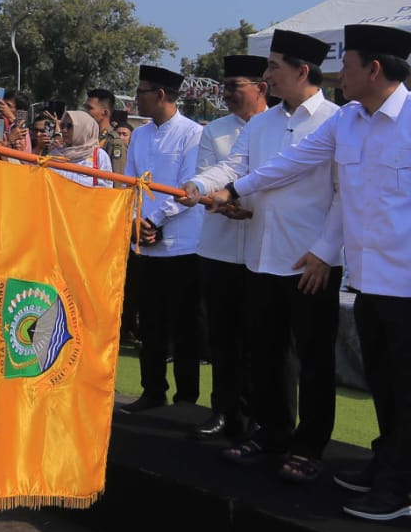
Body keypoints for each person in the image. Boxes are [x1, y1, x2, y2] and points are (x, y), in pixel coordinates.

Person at [200, 25, 411, 523]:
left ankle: (404, 487)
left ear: (374, 69)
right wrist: (234, 191)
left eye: (348, 66)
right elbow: (292, 163)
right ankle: (387, 464)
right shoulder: (349, 121)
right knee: (385, 385)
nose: (339, 74)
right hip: (369, 279)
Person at [182, 33, 342, 481]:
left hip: (310, 261)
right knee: (267, 352)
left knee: (313, 359)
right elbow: (235, 166)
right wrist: (199, 184)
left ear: (302, 71)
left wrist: (326, 253)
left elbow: (344, 196)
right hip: (261, 255)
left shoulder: (337, 121)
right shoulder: (262, 124)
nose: (266, 76)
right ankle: (272, 433)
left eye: (273, 67)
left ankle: (310, 446)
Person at [186, 55, 268, 442]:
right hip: (219, 244)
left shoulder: (276, 126)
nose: (227, 94)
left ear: (259, 88)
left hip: (262, 245)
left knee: (258, 337)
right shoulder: (215, 131)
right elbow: (205, 176)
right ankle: (223, 409)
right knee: (222, 334)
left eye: (234, 86)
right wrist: (208, 196)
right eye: (224, 86)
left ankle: (255, 414)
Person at [120, 65, 205, 414]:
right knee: (149, 324)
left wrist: (152, 220)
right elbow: (129, 183)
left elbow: (188, 189)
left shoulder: (193, 134)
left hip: (183, 245)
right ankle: (152, 391)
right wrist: (135, 222)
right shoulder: (139, 136)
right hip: (144, 243)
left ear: (160, 95)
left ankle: (186, 400)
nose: (136, 98)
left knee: (185, 326)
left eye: (141, 92)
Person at [56, 109, 112, 185]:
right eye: (62, 126)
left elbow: (106, 188)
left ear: (84, 128)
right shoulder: (56, 154)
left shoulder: (99, 156)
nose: (64, 130)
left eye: (69, 126)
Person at [87, 88, 128, 174]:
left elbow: (118, 179)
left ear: (105, 113)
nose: (85, 112)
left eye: (89, 108)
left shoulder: (114, 142)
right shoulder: (89, 137)